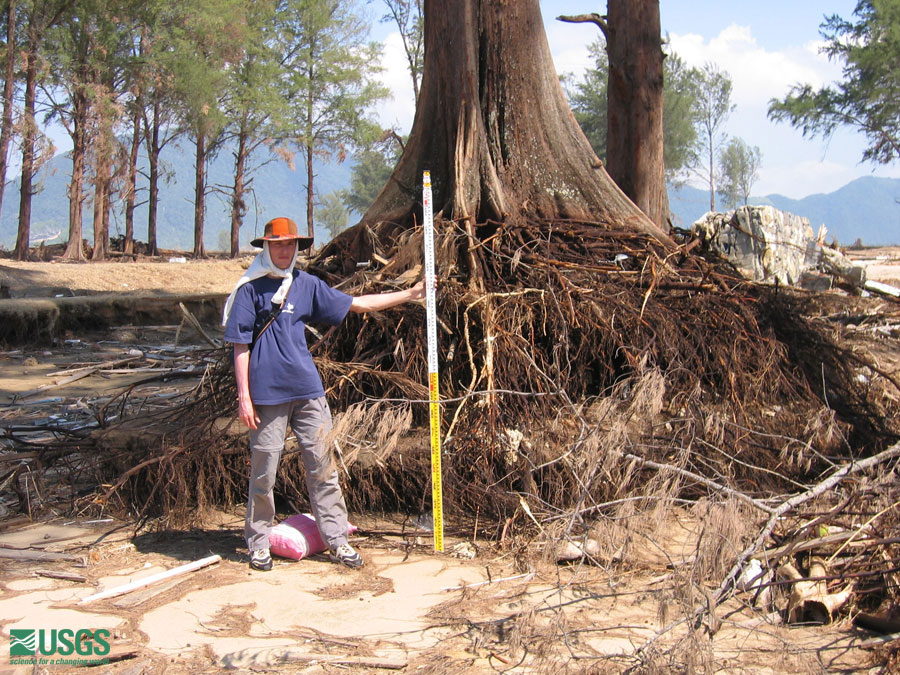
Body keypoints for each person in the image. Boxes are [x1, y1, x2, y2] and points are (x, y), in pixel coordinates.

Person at [223, 216, 425, 571]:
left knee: (323, 467)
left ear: (297, 248)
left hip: (308, 391)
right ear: (266, 247)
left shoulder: (306, 285)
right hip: (266, 397)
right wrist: (244, 397)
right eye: (278, 244)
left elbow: (356, 304)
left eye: (291, 244)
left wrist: (409, 294)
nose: (285, 250)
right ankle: (258, 544)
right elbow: (240, 346)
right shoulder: (250, 290)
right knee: (264, 471)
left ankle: (338, 542)